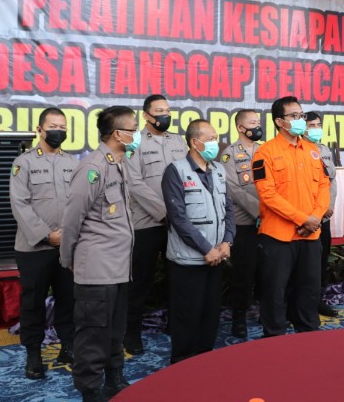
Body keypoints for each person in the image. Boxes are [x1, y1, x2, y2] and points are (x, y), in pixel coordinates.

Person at [61, 106, 137, 402]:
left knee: (115, 331)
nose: (137, 134)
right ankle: (90, 391)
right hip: (96, 269)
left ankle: (114, 380)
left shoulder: (120, 164)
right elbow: (72, 219)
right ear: (117, 134)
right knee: (93, 335)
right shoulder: (92, 168)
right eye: (133, 129)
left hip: (118, 267)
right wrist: (68, 258)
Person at [251, 96, 330, 337]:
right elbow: (268, 195)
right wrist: (302, 219)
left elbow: (324, 186)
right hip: (278, 237)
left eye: (301, 115)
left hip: (310, 234)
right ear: (279, 121)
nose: (300, 120)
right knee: (275, 292)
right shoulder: (265, 152)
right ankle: (274, 338)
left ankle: (307, 333)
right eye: (293, 116)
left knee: (309, 290)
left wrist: (314, 217)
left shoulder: (313, 150)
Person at [10, 107, 78, 379]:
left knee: (68, 299)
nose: (58, 131)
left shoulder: (73, 163)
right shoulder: (23, 163)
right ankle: (33, 354)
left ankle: (68, 347)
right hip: (34, 248)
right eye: (53, 127)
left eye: (62, 127)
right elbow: (20, 204)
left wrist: (68, 234)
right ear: (40, 129)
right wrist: (47, 235)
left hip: (67, 246)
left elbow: (79, 202)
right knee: (33, 302)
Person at [162, 119, 236, 364]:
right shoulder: (175, 171)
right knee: (187, 316)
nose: (216, 143)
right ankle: (182, 364)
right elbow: (178, 218)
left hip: (217, 257)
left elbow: (228, 210)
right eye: (211, 139)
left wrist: (227, 242)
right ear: (195, 142)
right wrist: (206, 249)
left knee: (210, 315)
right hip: (188, 260)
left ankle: (204, 363)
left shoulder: (218, 170)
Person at [124, 94, 187, 354]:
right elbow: (134, 182)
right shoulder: (134, 142)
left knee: (178, 276)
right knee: (140, 280)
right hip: (146, 222)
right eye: (159, 111)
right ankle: (131, 333)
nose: (165, 115)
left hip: (178, 222)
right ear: (146, 116)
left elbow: (188, 175)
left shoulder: (178, 141)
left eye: (168, 110)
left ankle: (176, 325)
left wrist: (179, 214)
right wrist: (164, 212)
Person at [219, 109, 262, 338]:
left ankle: (267, 312)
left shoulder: (265, 150)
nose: (257, 126)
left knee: (268, 271)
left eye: (258, 122)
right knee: (243, 274)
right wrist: (259, 211)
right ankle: (239, 318)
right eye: (252, 123)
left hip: (270, 221)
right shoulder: (230, 154)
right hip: (244, 222)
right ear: (240, 128)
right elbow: (233, 189)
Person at [304, 111, 338, 318]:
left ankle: (318, 300)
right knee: (304, 264)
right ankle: (301, 304)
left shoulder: (324, 150)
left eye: (318, 125)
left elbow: (332, 181)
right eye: (311, 125)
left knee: (321, 260)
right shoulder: (298, 150)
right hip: (306, 218)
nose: (316, 129)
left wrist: (329, 205)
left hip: (323, 216)